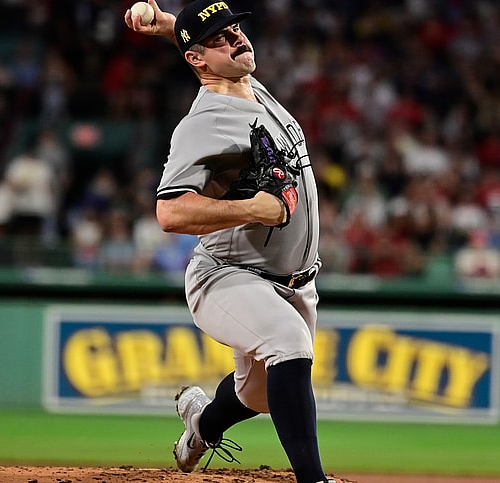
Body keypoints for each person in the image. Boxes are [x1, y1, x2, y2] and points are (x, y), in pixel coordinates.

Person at [124, 2, 335, 483]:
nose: (238, 39)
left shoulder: (250, 88)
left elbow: (204, 46)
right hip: (228, 274)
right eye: (222, 37)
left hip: (294, 281)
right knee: (288, 344)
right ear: (197, 60)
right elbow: (169, 211)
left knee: (258, 396)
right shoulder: (205, 121)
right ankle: (313, 479)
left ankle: (199, 426)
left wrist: (168, 25)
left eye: (236, 28)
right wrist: (251, 208)